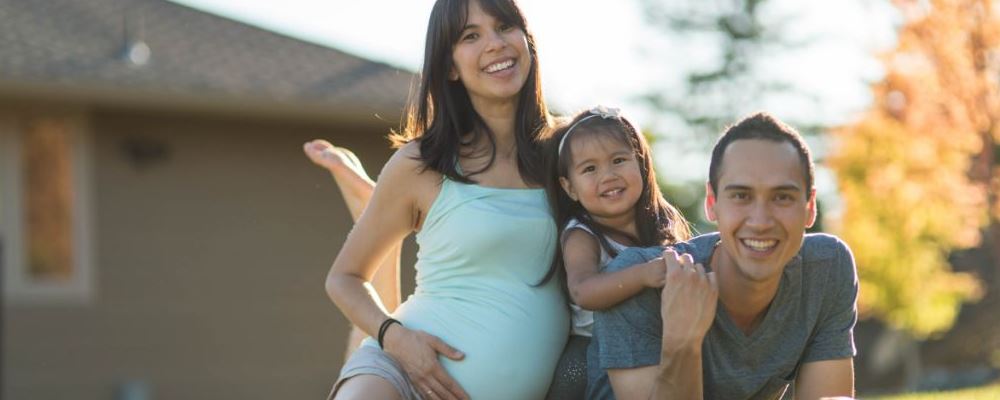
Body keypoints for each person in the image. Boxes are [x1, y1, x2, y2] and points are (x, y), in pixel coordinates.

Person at [320, 0, 569, 399]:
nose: (495, 44)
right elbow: (344, 279)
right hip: (402, 375)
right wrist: (395, 339)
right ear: (450, 65)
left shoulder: (568, 152)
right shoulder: (421, 163)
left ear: (526, 40)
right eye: (471, 36)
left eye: (504, 27)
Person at [593, 112, 858, 400]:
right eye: (741, 196)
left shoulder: (827, 267)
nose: (761, 221)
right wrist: (682, 341)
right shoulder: (640, 279)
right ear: (711, 204)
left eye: (782, 197)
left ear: (809, 208)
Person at [541, 106, 690, 399]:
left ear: (642, 164)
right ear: (570, 187)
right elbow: (583, 291)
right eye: (590, 169)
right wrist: (643, 275)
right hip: (595, 349)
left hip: (652, 338)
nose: (608, 176)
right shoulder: (582, 234)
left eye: (619, 160)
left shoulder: (663, 222)